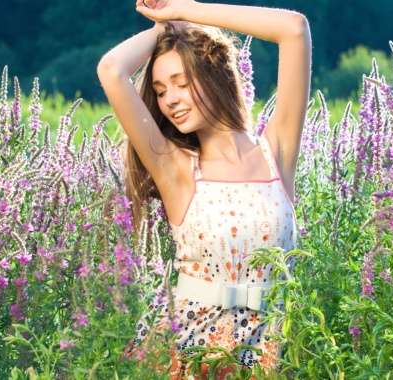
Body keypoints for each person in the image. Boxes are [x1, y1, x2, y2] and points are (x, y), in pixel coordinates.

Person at [97, 0, 311, 378]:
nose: (170, 100)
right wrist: (165, 28)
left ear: (216, 74)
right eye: (161, 91)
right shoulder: (174, 167)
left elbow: (293, 29)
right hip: (191, 348)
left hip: (268, 348)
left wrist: (188, 10)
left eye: (181, 82)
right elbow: (112, 70)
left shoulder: (275, 152)